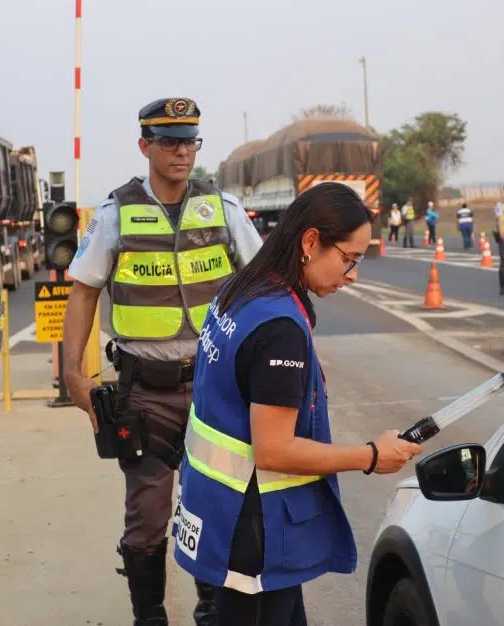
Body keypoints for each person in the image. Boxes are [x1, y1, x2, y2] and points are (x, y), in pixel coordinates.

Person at [170, 181, 424, 626]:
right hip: (255, 530)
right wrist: (371, 456)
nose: (352, 274)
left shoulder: (240, 291)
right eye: (348, 258)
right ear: (310, 242)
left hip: (222, 511)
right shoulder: (279, 328)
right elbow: (274, 450)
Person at [63, 97, 263, 626]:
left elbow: (265, 285)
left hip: (217, 388)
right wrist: (73, 375)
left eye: (189, 142)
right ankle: (149, 615)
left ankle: (213, 608)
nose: (181, 153)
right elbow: (83, 294)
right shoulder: (115, 214)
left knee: (217, 503)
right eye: (169, 142)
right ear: (145, 146)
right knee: (147, 517)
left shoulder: (223, 209)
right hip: (145, 394)